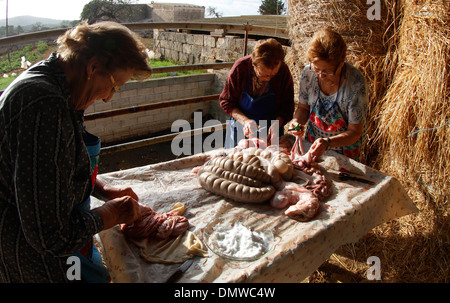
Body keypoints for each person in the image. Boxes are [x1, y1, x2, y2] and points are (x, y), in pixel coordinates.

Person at [0, 21, 152, 283]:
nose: (108, 98)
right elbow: (51, 236)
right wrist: (110, 214)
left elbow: (54, 170)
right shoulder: (44, 106)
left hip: (52, 237)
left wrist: (102, 190)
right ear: (94, 66)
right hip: (31, 253)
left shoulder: (58, 83)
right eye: (114, 86)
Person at [289, 28, 368, 161]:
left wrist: (328, 143)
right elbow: (303, 108)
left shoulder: (355, 83)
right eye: (317, 69)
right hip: (313, 144)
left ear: (341, 63)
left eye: (328, 71)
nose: (321, 76)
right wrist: (296, 123)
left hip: (345, 151)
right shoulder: (308, 74)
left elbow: (355, 132)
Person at [220, 38, 294, 149]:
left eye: (273, 75)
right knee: (237, 162)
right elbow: (227, 102)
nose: (268, 79)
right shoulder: (241, 68)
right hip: (242, 128)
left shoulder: (283, 72)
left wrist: (277, 123)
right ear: (253, 64)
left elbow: (287, 107)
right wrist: (246, 121)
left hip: (271, 130)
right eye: (263, 75)